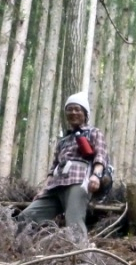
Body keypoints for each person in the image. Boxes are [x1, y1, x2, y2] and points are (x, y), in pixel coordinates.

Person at [18, 92, 108, 239]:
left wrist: (96, 176)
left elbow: (101, 156)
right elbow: (54, 167)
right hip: (55, 185)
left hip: (78, 181)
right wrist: (43, 189)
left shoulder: (94, 132)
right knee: (27, 216)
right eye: (70, 109)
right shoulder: (63, 140)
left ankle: (81, 258)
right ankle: (20, 250)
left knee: (74, 223)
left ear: (85, 113)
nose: (73, 112)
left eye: (77, 109)